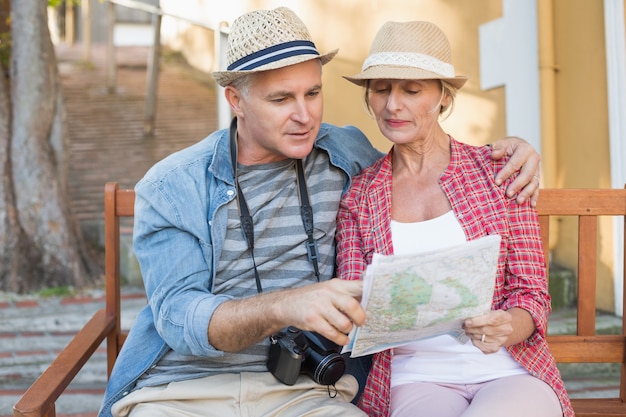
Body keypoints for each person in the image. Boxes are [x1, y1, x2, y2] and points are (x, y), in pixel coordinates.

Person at [99, 8, 543, 417]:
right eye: (280, 99)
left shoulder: (344, 154)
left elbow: (423, 159)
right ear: (235, 100)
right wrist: (287, 305)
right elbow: (181, 319)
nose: (304, 116)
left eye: (313, 93)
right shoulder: (172, 185)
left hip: (307, 389)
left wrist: (516, 151)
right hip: (181, 391)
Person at [335, 20, 573, 417]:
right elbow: (356, 307)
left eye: (411, 90)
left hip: (507, 368)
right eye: (381, 89)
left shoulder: (499, 172)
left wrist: (507, 325)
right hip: (414, 376)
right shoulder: (359, 199)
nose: (393, 104)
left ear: (443, 97)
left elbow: (532, 293)